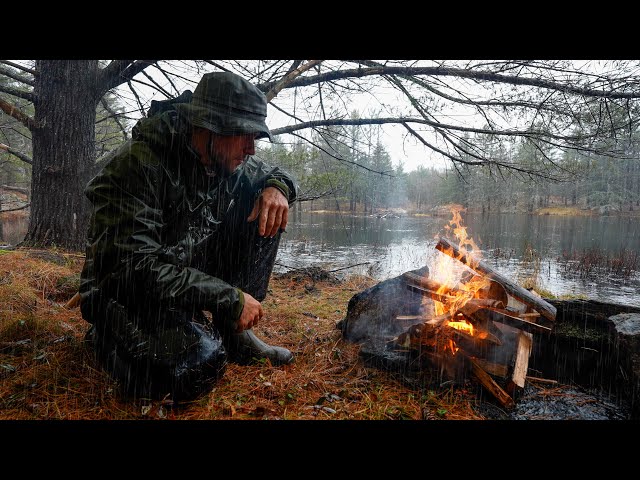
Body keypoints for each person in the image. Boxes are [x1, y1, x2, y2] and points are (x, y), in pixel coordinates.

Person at [79, 71, 299, 402]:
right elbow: (134, 268)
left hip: (176, 275)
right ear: (211, 127)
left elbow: (273, 172)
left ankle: (234, 329)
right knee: (193, 369)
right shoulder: (138, 165)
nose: (251, 149)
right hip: (124, 289)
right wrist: (227, 296)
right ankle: (106, 335)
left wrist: (278, 188)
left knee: (268, 207)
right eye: (244, 135)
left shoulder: (226, 161)